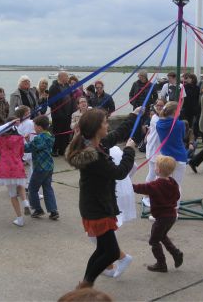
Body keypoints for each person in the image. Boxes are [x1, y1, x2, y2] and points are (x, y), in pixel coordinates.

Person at [66, 107, 141, 288]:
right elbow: (119, 172)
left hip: (96, 205)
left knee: (103, 249)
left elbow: (118, 134)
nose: (108, 125)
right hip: (97, 208)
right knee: (111, 252)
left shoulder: (95, 143)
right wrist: (129, 150)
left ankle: (85, 283)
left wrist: (134, 115)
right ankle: (85, 285)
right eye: (105, 123)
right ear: (95, 127)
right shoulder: (94, 155)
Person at [132, 155, 184, 272]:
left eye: (155, 165)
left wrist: (127, 186)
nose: (154, 167)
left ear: (158, 170)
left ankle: (161, 264)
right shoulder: (173, 182)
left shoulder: (154, 185)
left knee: (154, 241)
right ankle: (176, 254)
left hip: (161, 218)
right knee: (162, 236)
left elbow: (140, 188)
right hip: (171, 216)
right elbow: (177, 196)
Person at [99, 146, 136, 279]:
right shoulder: (114, 148)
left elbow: (124, 169)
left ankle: (120, 257)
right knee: (104, 232)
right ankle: (111, 264)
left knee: (103, 232)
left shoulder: (103, 150)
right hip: (120, 191)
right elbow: (133, 166)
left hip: (114, 193)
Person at [0, 120, 30, 226]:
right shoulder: (20, 139)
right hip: (17, 166)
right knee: (21, 185)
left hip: (5, 168)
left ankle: (20, 219)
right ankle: (25, 202)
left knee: (12, 194)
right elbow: (22, 152)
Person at [24, 115, 59, 221]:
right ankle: (53, 211)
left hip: (40, 167)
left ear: (39, 127)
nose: (34, 128)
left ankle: (38, 209)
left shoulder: (38, 138)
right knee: (47, 187)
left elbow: (27, 148)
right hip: (49, 166)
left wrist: (26, 140)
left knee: (32, 189)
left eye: (34, 126)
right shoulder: (50, 135)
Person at [156, 102, 187, 207]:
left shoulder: (158, 124)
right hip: (179, 157)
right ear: (175, 112)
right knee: (176, 184)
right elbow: (183, 136)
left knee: (162, 184)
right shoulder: (180, 124)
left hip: (165, 157)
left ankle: (161, 206)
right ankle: (174, 208)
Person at [49, 71, 74, 157]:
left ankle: (63, 150)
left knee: (66, 133)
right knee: (58, 133)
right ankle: (54, 150)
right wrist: (60, 114)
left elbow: (71, 98)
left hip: (68, 115)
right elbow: (51, 103)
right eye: (66, 77)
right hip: (58, 116)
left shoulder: (67, 86)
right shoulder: (53, 87)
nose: (68, 78)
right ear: (61, 77)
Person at [129, 71, 157, 144]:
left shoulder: (151, 85)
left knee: (145, 124)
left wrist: (151, 104)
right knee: (136, 123)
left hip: (147, 108)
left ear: (144, 76)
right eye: (139, 76)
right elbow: (131, 94)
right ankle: (136, 141)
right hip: (137, 107)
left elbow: (155, 96)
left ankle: (144, 140)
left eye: (140, 76)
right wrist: (133, 103)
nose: (139, 77)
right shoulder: (135, 84)